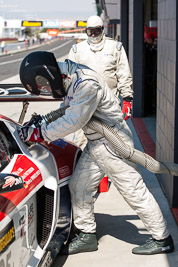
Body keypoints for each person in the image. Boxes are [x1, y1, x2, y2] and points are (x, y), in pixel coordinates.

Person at [18, 51, 174, 256]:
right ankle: (86, 235)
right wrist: (42, 122)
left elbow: (74, 120)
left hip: (113, 142)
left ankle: (162, 238)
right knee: (79, 186)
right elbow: (65, 109)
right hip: (96, 143)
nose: (47, 90)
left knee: (134, 191)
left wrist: (40, 133)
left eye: (44, 85)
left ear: (47, 75)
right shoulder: (68, 75)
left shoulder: (86, 84)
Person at [68, 15, 133, 149]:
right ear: (86, 31)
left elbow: (124, 74)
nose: (93, 34)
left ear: (102, 30)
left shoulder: (115, 48)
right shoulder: (77, 50)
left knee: (115, 143)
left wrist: (127, 99)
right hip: (84, 105)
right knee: (81, 142)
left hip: (109, 106)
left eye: (96, 31)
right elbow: (69, 77)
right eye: (90, 31)